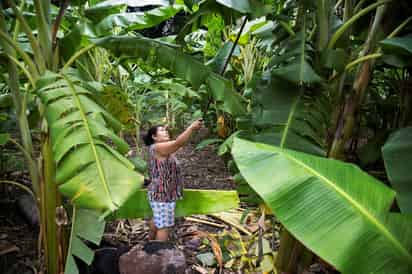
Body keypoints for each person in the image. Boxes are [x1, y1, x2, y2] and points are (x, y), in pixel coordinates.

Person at [143, 119, 203, 241]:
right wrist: (191, 128)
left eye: (165, 130)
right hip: (162, 195)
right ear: (154, 136)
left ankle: (149, 246)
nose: (165, 132)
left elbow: (177, 144)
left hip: (163, 193)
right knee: (164, 227)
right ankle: (160, 254)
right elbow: (178, 143)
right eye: (161, 130)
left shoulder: (163, 149)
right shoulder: (158, 147)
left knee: (157, 222)